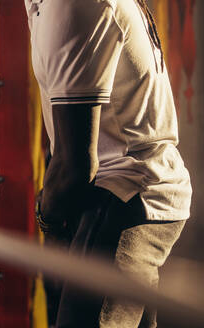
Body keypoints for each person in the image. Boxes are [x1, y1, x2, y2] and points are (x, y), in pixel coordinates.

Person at [25, 0, 192, 327]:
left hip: (125, 195)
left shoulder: (72, 4)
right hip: (136, 191)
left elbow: (75, 168)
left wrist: (46, 216)